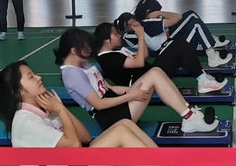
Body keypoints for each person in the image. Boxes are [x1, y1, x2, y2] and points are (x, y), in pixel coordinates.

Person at [0, 60, 214, 166]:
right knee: (121, 135)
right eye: (31, 77)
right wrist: (59, 110)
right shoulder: (26, 121)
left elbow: (84, 137)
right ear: (17, 92)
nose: (39, 77)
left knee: (124, 125)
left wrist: (61, 110)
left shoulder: (41, 109)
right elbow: (75, 146)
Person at [55, 28, 219, 133]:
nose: (90, 50)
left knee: (156, 71)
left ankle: (189, 114)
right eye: (85, 47)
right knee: (154, 74)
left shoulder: (84, 64)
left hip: (116, 104)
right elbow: (99, 104)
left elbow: (109, 88)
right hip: (110, 117)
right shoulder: (71, 74)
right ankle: (189, 117)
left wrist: (130, 90)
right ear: (73, 51)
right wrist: (131, 96)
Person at [94, 21, 227, 94]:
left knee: (175, 43)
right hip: (145, 83)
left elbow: (144, 56)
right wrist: (140, 36)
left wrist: (142, 34)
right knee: (179, 45)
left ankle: (203, 79)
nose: (119, 35)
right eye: (115, 34)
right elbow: (139, 63)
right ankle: (203, 81)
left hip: (151, 74)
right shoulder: (107, 58)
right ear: (106, 39)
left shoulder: (116, 52)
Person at [130, 0, 233, 67]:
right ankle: (212, 58)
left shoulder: (145, 23)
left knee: (191, 14)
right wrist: (159, 13)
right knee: (196, 24)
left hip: (169, 43)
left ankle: (210, 40)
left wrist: (158, 13)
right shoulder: (148, 23)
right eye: (157, 11)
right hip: (172, 51)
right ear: (149, 12)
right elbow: (178, 17)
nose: (159, 14)